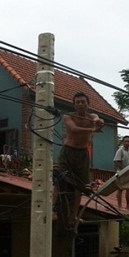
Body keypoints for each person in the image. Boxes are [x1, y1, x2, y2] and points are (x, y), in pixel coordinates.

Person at [54, 92, 104, 225]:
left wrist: (99, 123)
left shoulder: (91, 116)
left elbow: (96, 120)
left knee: (80, 186)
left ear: (88, 104)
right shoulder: (68, 116)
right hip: (68, 152)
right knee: (59, 180)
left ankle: (73, 216)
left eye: (83, 102)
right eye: (78, 102)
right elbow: (74, 129)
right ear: (74, 104)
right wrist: (93, 130)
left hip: (82, 154)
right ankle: (53, 211)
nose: (81, 104)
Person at [114, 135, 129, 210]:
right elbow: (116, 161)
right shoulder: (120, 150)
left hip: (128, 172)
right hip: (121, 172)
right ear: (123, 142)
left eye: (128, 141)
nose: (127, 143)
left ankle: (128, 205)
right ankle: (119, 206)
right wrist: (123, 170)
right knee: (120, 189)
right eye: (126, 141)